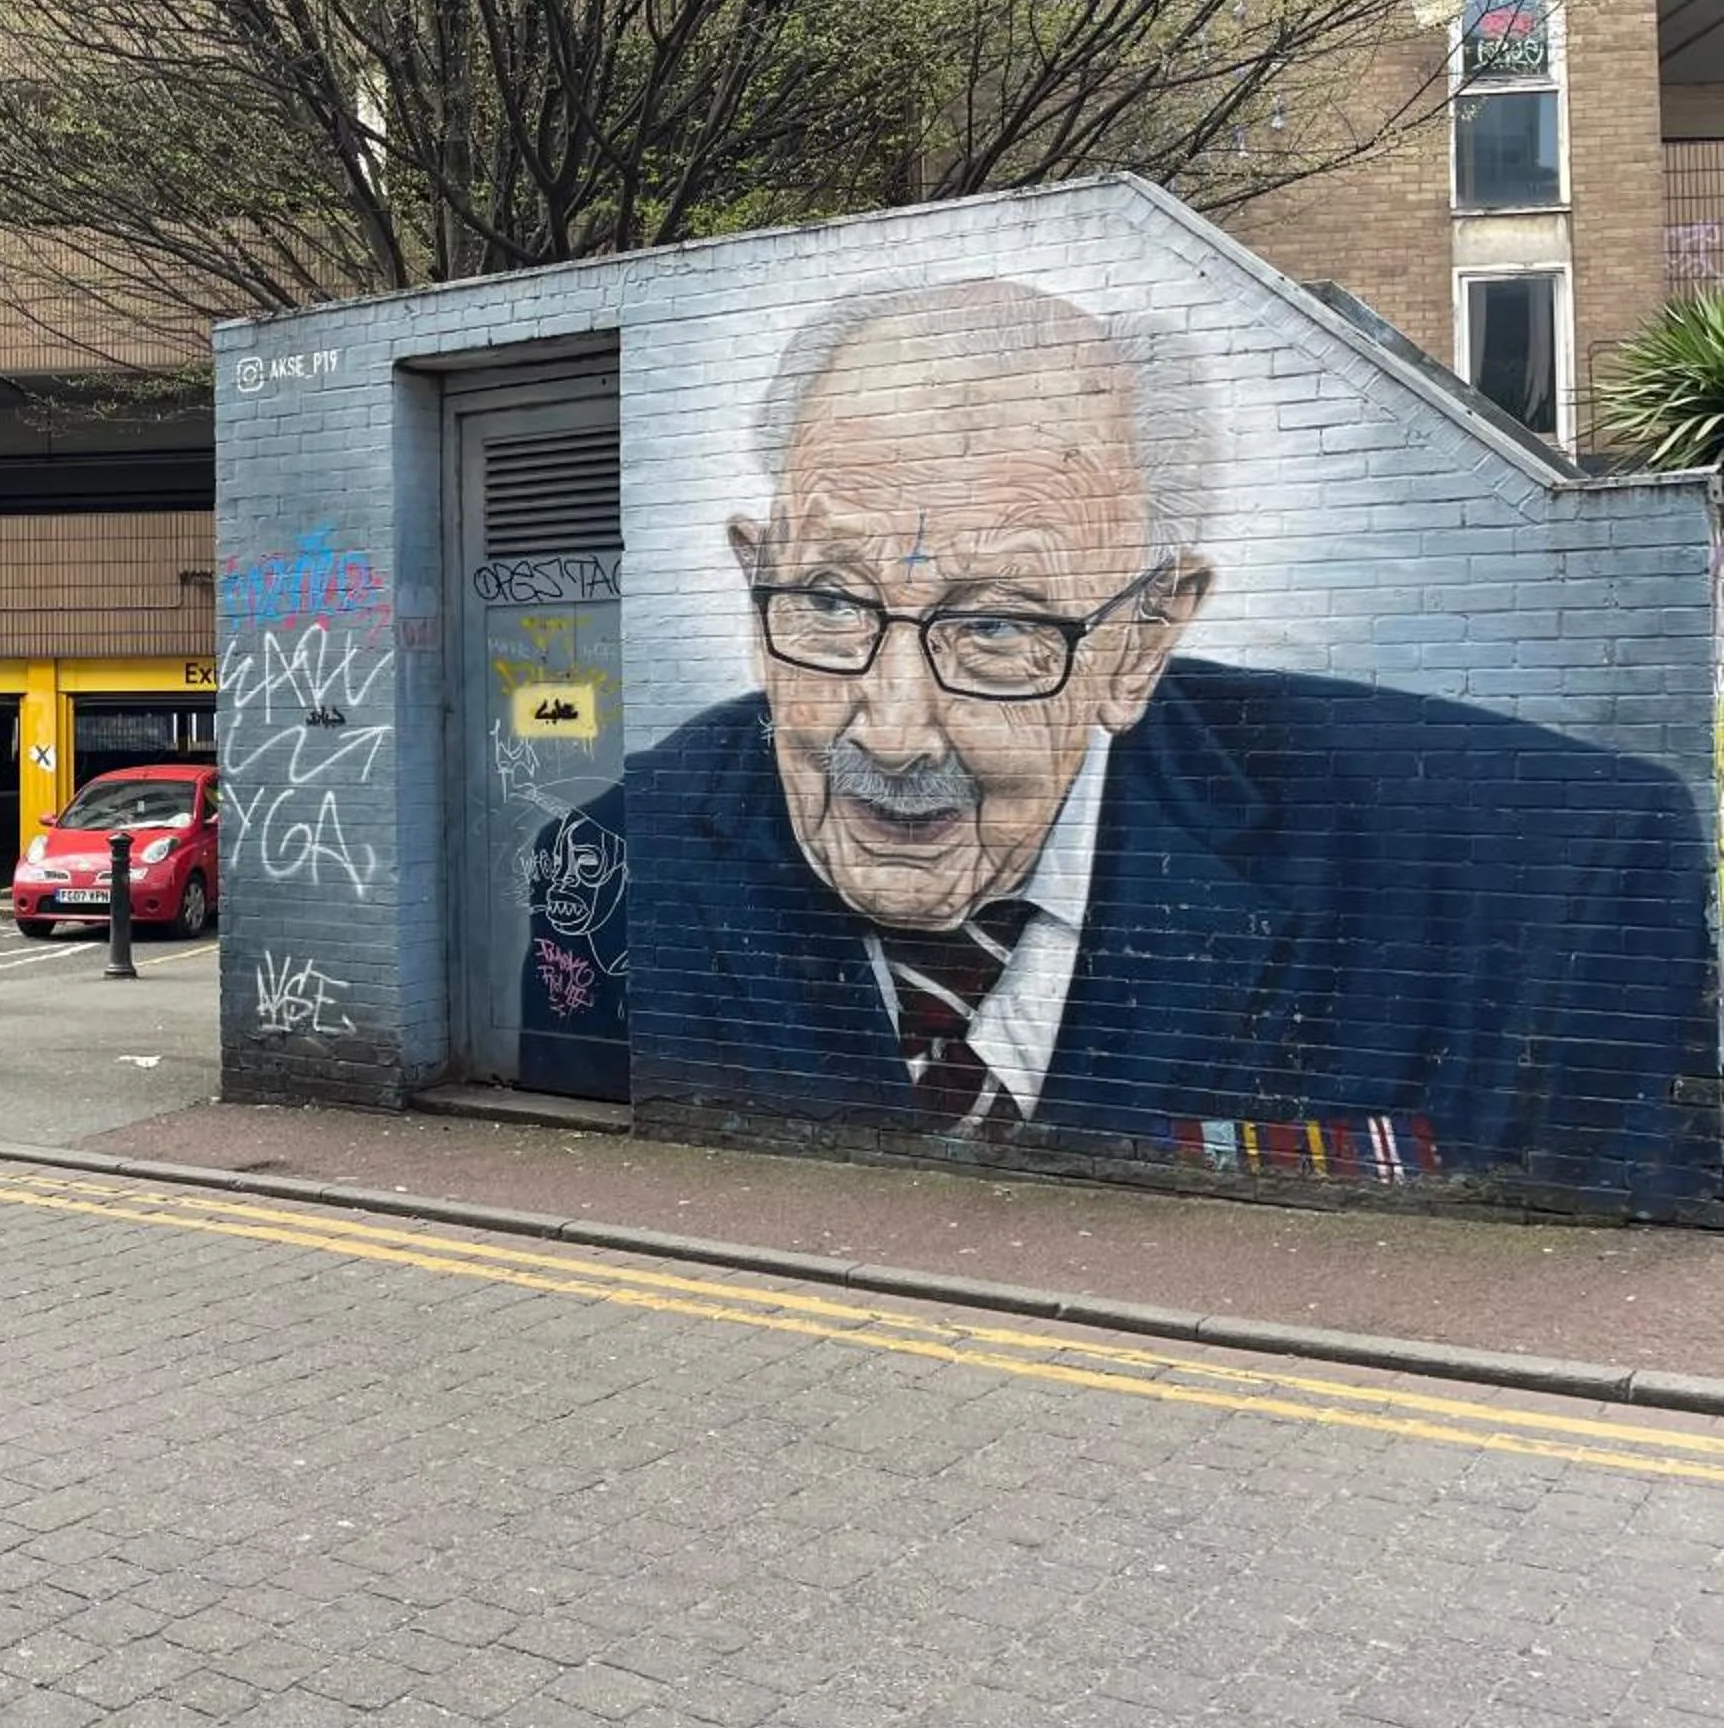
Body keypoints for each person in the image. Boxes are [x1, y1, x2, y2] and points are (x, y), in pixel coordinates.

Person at [561, 277, 1717, 1212]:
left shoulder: (1545, 878)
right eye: (829, 603)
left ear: (1142, 641)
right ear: (755, 589)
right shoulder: (610, 863)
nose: (895, 727)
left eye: (998, 626)